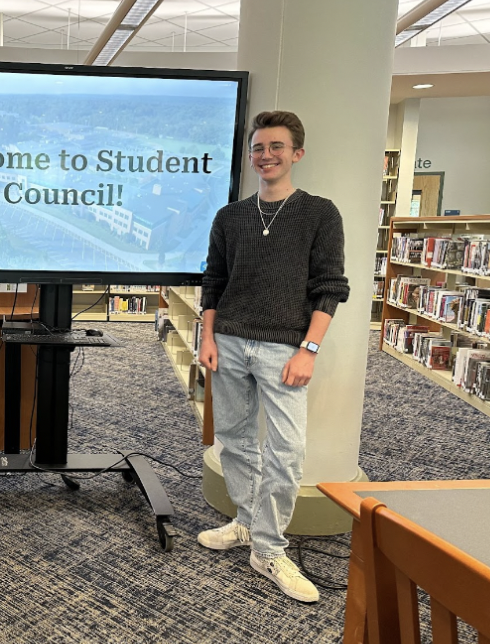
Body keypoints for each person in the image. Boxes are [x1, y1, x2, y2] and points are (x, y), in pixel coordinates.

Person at [196, 111, 350, 603]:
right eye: (259, 147)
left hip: (286, 349)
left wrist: (309, 349)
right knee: (236, 441)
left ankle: (269, 548)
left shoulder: (320, 213)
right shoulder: (230, 217)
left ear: (296, 154)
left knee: (287, 451)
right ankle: (245, 524)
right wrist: (207, 336)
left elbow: (330, 289)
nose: (266, 155)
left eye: (276, 147)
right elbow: (213, 283)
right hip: (231, 343)